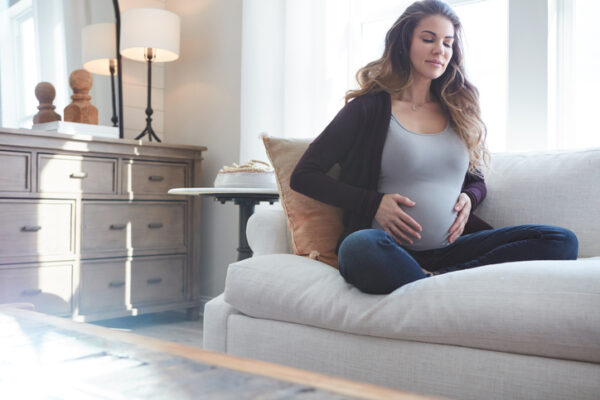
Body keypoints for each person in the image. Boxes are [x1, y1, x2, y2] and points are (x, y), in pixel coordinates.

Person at [289, 0, 578, 294]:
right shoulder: (368, 109)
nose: (440, 49)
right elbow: (304, 175)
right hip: (387, 248)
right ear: (405, 43)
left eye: (448, 43)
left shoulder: (457, 110)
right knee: (358, 247)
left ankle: (434, 281)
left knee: (560, 240)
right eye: (428, 39)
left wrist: (470, 197)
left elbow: (476, 180)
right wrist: (373, 203)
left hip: (452, 249)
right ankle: (448, 284)